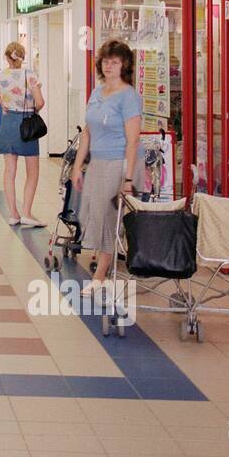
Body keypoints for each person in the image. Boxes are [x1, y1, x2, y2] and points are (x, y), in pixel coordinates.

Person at [72, 39, 142, 295]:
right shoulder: (97, 92)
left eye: (115, 62)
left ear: (124, 65)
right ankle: (102, 265)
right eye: (106, 61)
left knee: (107, 219)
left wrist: (128, 178)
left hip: (119, 162)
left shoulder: (129, 96)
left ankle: (100, 276)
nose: (109, 66)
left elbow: (133, 140)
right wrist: (78, 166)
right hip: (98, 162)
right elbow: (87, 133)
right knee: (89, 214)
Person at [0, 41, 45, 226]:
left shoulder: (0, 75)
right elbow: (40, 102)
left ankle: (13, 214)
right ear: (23, 57)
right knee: (32, 171)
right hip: (26, 124)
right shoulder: (30, 75)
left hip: (7, 123)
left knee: (9, 171)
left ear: (6, 57)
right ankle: (27, 212)